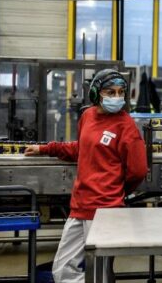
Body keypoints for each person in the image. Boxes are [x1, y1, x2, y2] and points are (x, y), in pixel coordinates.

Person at [25, 69, 148, 283]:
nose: (117, 97)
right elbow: (79, 148)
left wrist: (117, 192)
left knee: (100, 273)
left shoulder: (126, 126)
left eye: (121, 92)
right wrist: (46, 148)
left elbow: (138, 171)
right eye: (110, 92)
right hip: (80, 205)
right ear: (96, 93)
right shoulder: (88, 116)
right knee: (62, 270)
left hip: (105, 211)